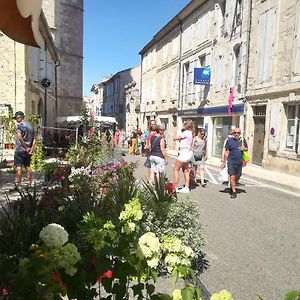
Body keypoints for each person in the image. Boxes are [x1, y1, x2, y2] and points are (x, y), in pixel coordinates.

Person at [221, 128, 248, 199]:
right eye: (235, 133)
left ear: (240, 134)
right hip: (231, 162)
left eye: (238, 133)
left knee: (238, 176)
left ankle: (232, 186)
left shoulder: (242, 140)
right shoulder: (229, 141)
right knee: (232, 176)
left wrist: (243, 149)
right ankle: (234, 192)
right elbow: (226, 152)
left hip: (239, 162)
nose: (236, 134)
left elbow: (246, 149)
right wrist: (224, 162)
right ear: (233, 133)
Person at [13, 111, 35, 190]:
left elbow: (19, 137)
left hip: (20, 149)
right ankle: (29, 184)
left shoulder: (20, 126)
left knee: (18, 168)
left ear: (22, 117)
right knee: (28, 167)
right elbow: (35, 138)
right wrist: (31, 148)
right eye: (16, 118)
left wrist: (26, 147)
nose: (17, 120)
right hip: (28, 151)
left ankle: (19, 186)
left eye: (17, 118)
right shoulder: (30, 126)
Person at [173, 119, 195, 193]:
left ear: (186, 125)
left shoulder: (186, 132)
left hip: (183, 153)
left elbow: (179, 137)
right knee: (185, 170)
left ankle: (175, 187)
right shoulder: (191, 133)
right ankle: (186, 187)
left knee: (176, 169)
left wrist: (174, 138)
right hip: (188, 152)